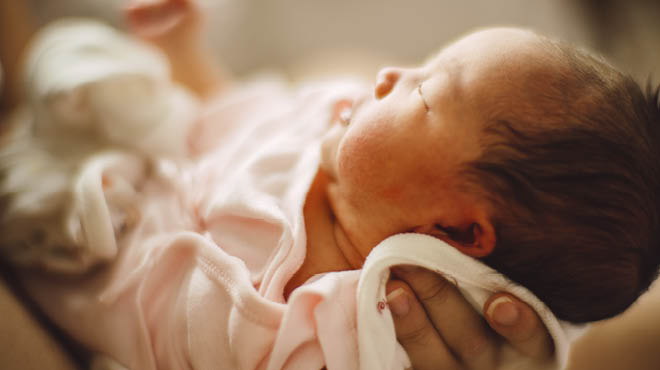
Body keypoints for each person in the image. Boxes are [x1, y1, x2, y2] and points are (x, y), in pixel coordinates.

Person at [2, 0, 659, 368]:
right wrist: (184, 54)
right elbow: (215, 120)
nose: (388, 75)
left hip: (71, 294)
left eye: (424, 90)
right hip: (104, 183)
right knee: (90, 69)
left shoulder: (354, 324)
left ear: (455, 230)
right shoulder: (323, 116)